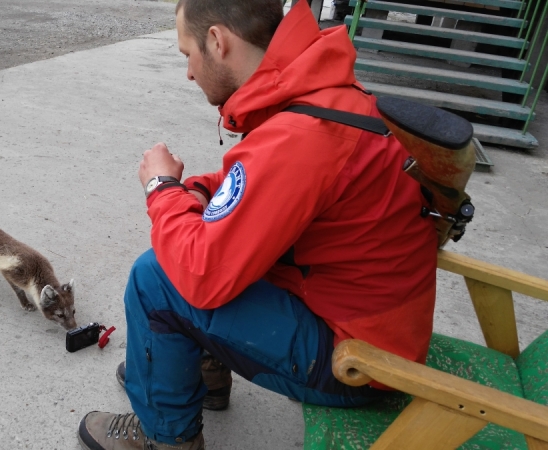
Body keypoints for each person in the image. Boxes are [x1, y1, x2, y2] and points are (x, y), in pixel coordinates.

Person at [77, 0, 437, 448]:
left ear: (217, 41)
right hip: (367, 320)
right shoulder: (318, 96)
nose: (189, 72)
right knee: (213, 236)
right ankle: (192, 372)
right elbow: (255, 183)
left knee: (158, 279)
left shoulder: (304, 135)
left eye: (186, 54)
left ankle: (166, 438)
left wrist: (162, 188)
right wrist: (201, 191)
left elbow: (200, 274)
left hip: (361, 361)